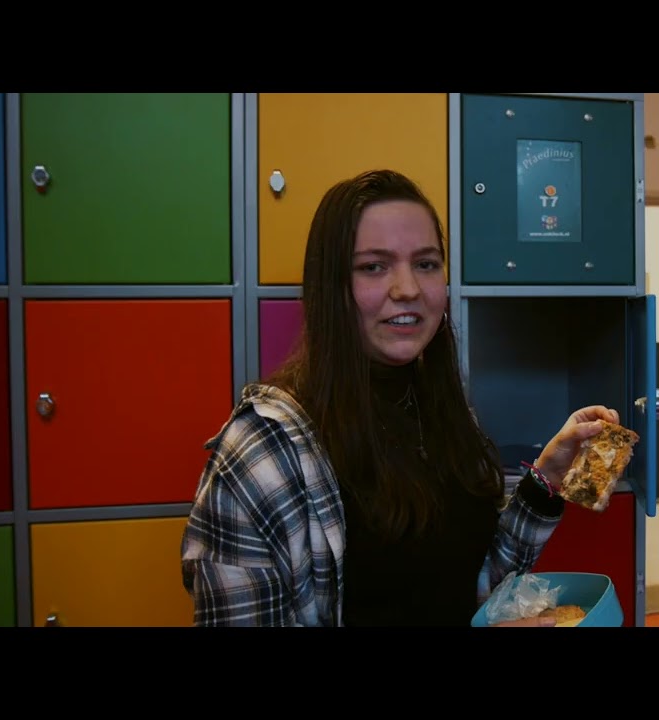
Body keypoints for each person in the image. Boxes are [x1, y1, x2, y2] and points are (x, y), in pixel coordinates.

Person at [180, 169, 619, 627]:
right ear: (330, 286)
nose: (408, 289)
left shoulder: (442, 411)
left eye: (426, 264)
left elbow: (477, 582)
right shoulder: (263, 451)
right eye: (374, 266)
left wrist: (547, 480)